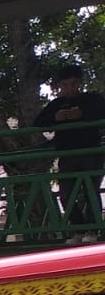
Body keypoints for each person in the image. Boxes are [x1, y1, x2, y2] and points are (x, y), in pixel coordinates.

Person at [33, 63, 105, 234]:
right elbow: (38, 123)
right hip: (67, 155)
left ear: (79, 83)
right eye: (65, 85)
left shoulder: (92, 100)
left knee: (91, 192)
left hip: (90, 153)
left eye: (73, 84)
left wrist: (82, 115)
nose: (70, 88)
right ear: (60, 86)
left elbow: (101, 113)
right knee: (66, 194)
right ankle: (79, 229)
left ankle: (93, 230)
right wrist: (56, 117)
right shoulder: (56, 104)